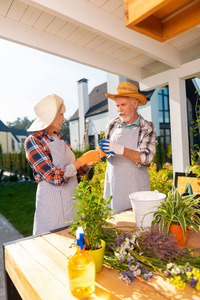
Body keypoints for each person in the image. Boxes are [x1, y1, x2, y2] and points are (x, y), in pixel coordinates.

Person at [25, 94, 100, 235]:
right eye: (61, 114)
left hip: (72, 201)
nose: (64, 119)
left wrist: (90, 160)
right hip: (51, 207)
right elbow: (54, 176)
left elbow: (75, 171)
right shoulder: (33, 141)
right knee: (51, 247)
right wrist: (81, 160)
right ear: (50, 116)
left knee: (74, 246)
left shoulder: (59, 137)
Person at [99, 82, 157, 213]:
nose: (119, 110)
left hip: (136, 186)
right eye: (117, 106)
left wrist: (121, 150)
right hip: (113, 184)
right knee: (113, 223)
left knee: (137, 223)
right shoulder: (112, 124)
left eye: (123, 105)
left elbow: (147, 157)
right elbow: (106, 152)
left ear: (135, 104)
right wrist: (101, 153)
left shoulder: (147, 127)